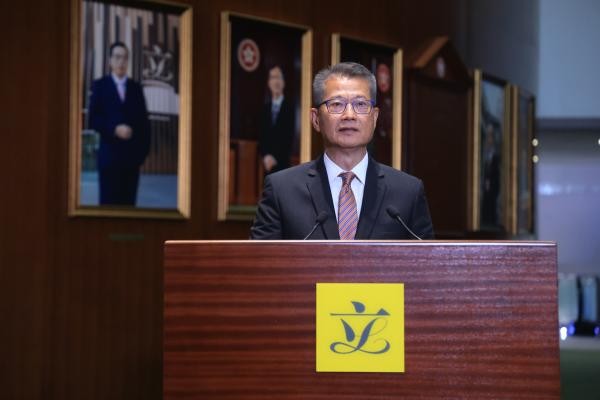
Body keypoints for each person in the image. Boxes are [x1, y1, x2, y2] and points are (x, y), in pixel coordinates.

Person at [250, 62, 434, 239]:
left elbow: (428, 259)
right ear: (316, 119)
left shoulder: (408, 193)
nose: (349, 115)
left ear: (375, 118)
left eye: (360, 104)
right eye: (337, 104)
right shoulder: (281, 191)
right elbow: (259, 259)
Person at [88, 41, 151, 206]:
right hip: (109, 161)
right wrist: (114, 129)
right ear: (110, 61)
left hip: (131, 163)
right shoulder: (100, 86)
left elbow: (145, 124)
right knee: (108, 208)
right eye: (117, 57)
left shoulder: (136, 88)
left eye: (124, 58)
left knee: (129, 207)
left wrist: (141, 156)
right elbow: (93, 119)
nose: (121, 62)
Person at [258, 65, 296, 174]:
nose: (276, 81)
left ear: (283, 82)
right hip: (266, 166)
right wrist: (266, 156)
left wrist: (275, 158)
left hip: (283, 165)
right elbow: (261, 136)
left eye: (278, 77)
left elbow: (289, 137)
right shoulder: (264, 109)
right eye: (273, 77)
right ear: (269, 83)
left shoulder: (290, 108)